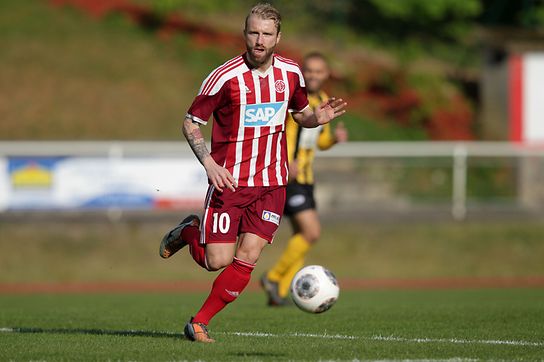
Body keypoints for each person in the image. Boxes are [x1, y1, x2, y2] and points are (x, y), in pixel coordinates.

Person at [159, 3, 347, 343]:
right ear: (245, 33)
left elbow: (300, 114)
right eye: (253, 32)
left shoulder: (291, 73)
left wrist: (316, 119)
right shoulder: (224, 77)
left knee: (248, 256)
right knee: (217, 260)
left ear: (278, 37)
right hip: (230, 182)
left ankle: (198, 322)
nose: (259, 40)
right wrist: (209, 164)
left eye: (266, 34)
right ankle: (189, 231)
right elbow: (191, 123)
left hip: (272, 184)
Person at [260, 52, 348, 306]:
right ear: (302, 71)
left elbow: (318, 140)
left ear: (326, 74)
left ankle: (281, 292)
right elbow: (274, 130)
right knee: (311, 232)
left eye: (318, 71)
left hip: (306, 178)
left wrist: (333, 140)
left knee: (303, 235)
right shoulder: (292, 97)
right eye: (308, 70)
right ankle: (273, 277)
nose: (312, 75)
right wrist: (284, 161)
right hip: (287, 175)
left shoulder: (322, 100)